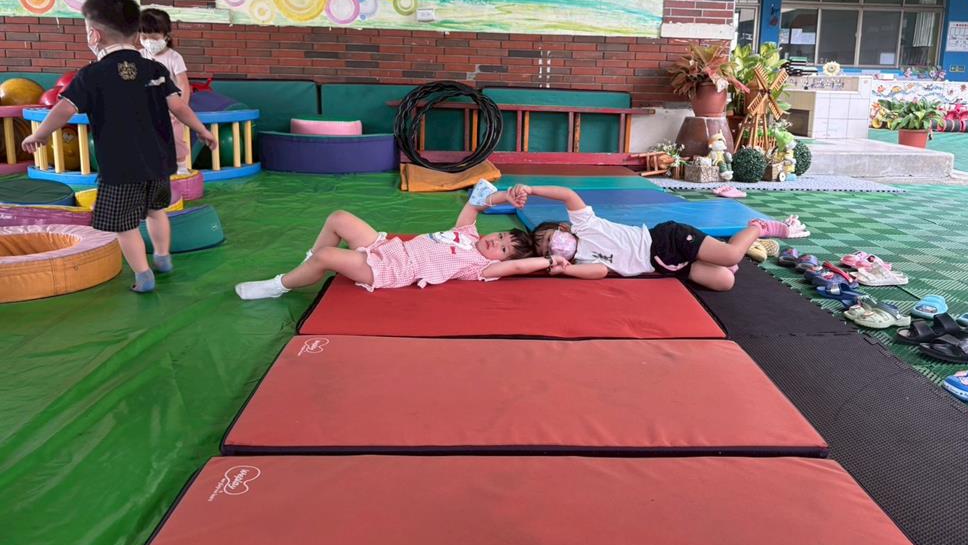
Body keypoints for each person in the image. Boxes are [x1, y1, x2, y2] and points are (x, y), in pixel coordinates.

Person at [21, 0, 216, 293]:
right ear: (136, 34)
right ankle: (162, 256)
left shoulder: (92, 74)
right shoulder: (154, 69)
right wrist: (202, 129)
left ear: (94, 34)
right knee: (156, 211)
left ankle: (143, 275)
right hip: (158, 161)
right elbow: (179, 106)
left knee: (125, 225)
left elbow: (64, 109)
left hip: (120, 167)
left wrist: (40, 134)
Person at [235, 185, 565, 300]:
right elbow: (476, 203)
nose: (497, 242)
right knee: (338, 217)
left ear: (500, 260)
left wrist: (550, 261)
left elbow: (519, 267)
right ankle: (305, 267)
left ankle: (278, 285)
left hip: (392, 270)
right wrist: (506, 196)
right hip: (390, 248)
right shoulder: (468, 233)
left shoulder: (480, 267)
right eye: (501, 236)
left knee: (327, 256)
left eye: (503, 249)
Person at [520, 184, 798, 291]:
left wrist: (532, 190)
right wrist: (566, 270)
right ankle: (713, 254)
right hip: (665, 265)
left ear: (563, 228)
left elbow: (568, 194)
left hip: (667, 239)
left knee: (731, 256)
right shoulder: (581, 261)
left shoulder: (584, 225)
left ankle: (757, 228)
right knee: (725, 281)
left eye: (551, 238)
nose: (554, 246)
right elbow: (601, 271)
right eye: (548, 250)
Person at [140, 7, 191, 175]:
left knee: (175, 137)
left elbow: (184, 85)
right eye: (144, 37)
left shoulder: (174, 57)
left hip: (170, 109)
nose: (148, 41)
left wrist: (181, 109)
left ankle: (181, 166)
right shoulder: (139, 56)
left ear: (166, 36)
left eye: (154, 37)